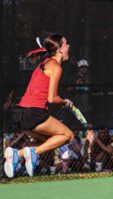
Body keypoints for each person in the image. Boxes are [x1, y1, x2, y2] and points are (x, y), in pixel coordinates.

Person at [4, 33, 74, 178]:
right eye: (66, 44)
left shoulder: (45, 64)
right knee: (68, 135)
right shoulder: (55, 67)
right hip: (34, 114)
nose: (69, 46)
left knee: (48, 142)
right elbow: (52, 98)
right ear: (60, 49)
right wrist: (66, 103)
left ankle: (19, 154)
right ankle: (24, 153)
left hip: (21, 116)